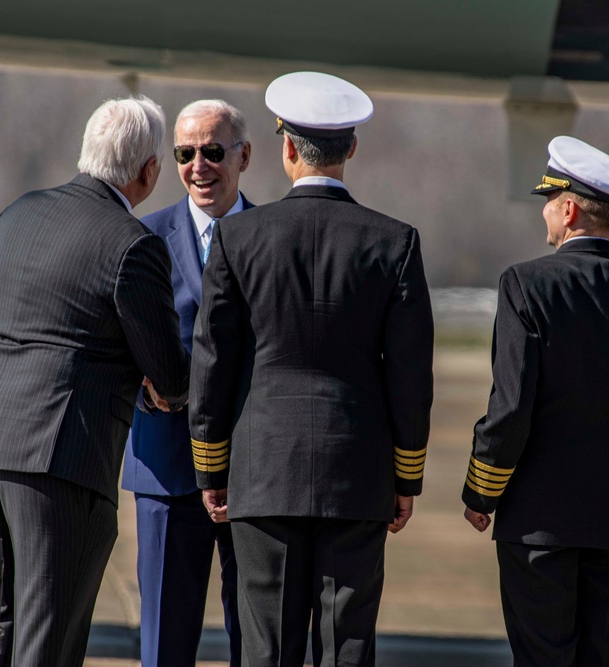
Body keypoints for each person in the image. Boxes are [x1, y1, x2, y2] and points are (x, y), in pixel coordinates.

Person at [187, 71, 434, 667]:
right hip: (358, 472)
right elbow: (410, 375)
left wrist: (210, 467)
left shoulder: (237, 236)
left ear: (288, 149)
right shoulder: (394, 242)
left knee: (267, 647)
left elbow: (213, 360)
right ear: (352, 149)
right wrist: (406, 478)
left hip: (262, 468)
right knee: (346, 648)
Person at [0, 96, 189, 666]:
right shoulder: (132, 243)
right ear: (149, 171)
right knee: (46, 641)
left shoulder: (16, 215)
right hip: (60, 460)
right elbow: (171, 377)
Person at [463, 135, 609, 666]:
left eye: (548, 200)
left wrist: (482, 490)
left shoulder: (526, 284)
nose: (544, 212)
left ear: (568, 210)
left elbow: (512, 406)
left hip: (539, 523)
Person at [121, 99, 253, 666]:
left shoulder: (276, 237)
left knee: (259, 640)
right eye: (185, 153)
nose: (199, 165)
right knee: (164, 643)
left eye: (214, 152)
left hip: (255, 470)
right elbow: (112, 345)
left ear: (244, 156)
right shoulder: (140, 236)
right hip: (167, 466)